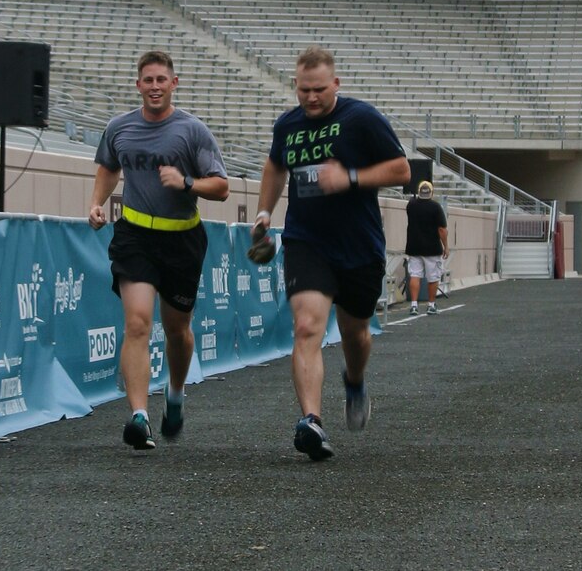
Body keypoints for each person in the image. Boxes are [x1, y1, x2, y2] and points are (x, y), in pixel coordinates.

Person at [254, 45, 411, 461]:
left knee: (355, 334)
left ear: (335, 84)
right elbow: (275, 166)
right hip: (307, 242)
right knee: (306, 326)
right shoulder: (287, 125)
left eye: (319, 89)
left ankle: (354, 381)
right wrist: (265, 212)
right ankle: (311, 422)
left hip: (359, 246)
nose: (311, 98)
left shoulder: (362, 118)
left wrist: (351, 176)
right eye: (304, 90)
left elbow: (402, 169)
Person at [88, 50, 230, 450]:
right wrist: (97, 202)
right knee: (136, 323)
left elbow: (221, 187)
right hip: (135, 236)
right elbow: (107, 166)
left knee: (177, 330)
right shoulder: (120, 127)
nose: (154, 87)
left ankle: (175, 393)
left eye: (161, 80)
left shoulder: (192, 131)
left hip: (182, 238)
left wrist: (186, 182)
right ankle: (139, 416)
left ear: (174, 84)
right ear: (138, 85)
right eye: (147, 80)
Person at [405, 180, 449, 316]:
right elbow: (442, 229)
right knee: (433, 277)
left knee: (415, 275)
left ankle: (413, 305)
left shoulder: (411, 205)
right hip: (432, 247)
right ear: (431, 192)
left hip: (414, 245)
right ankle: (431, 304)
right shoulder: (435, 207)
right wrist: (446, 246)